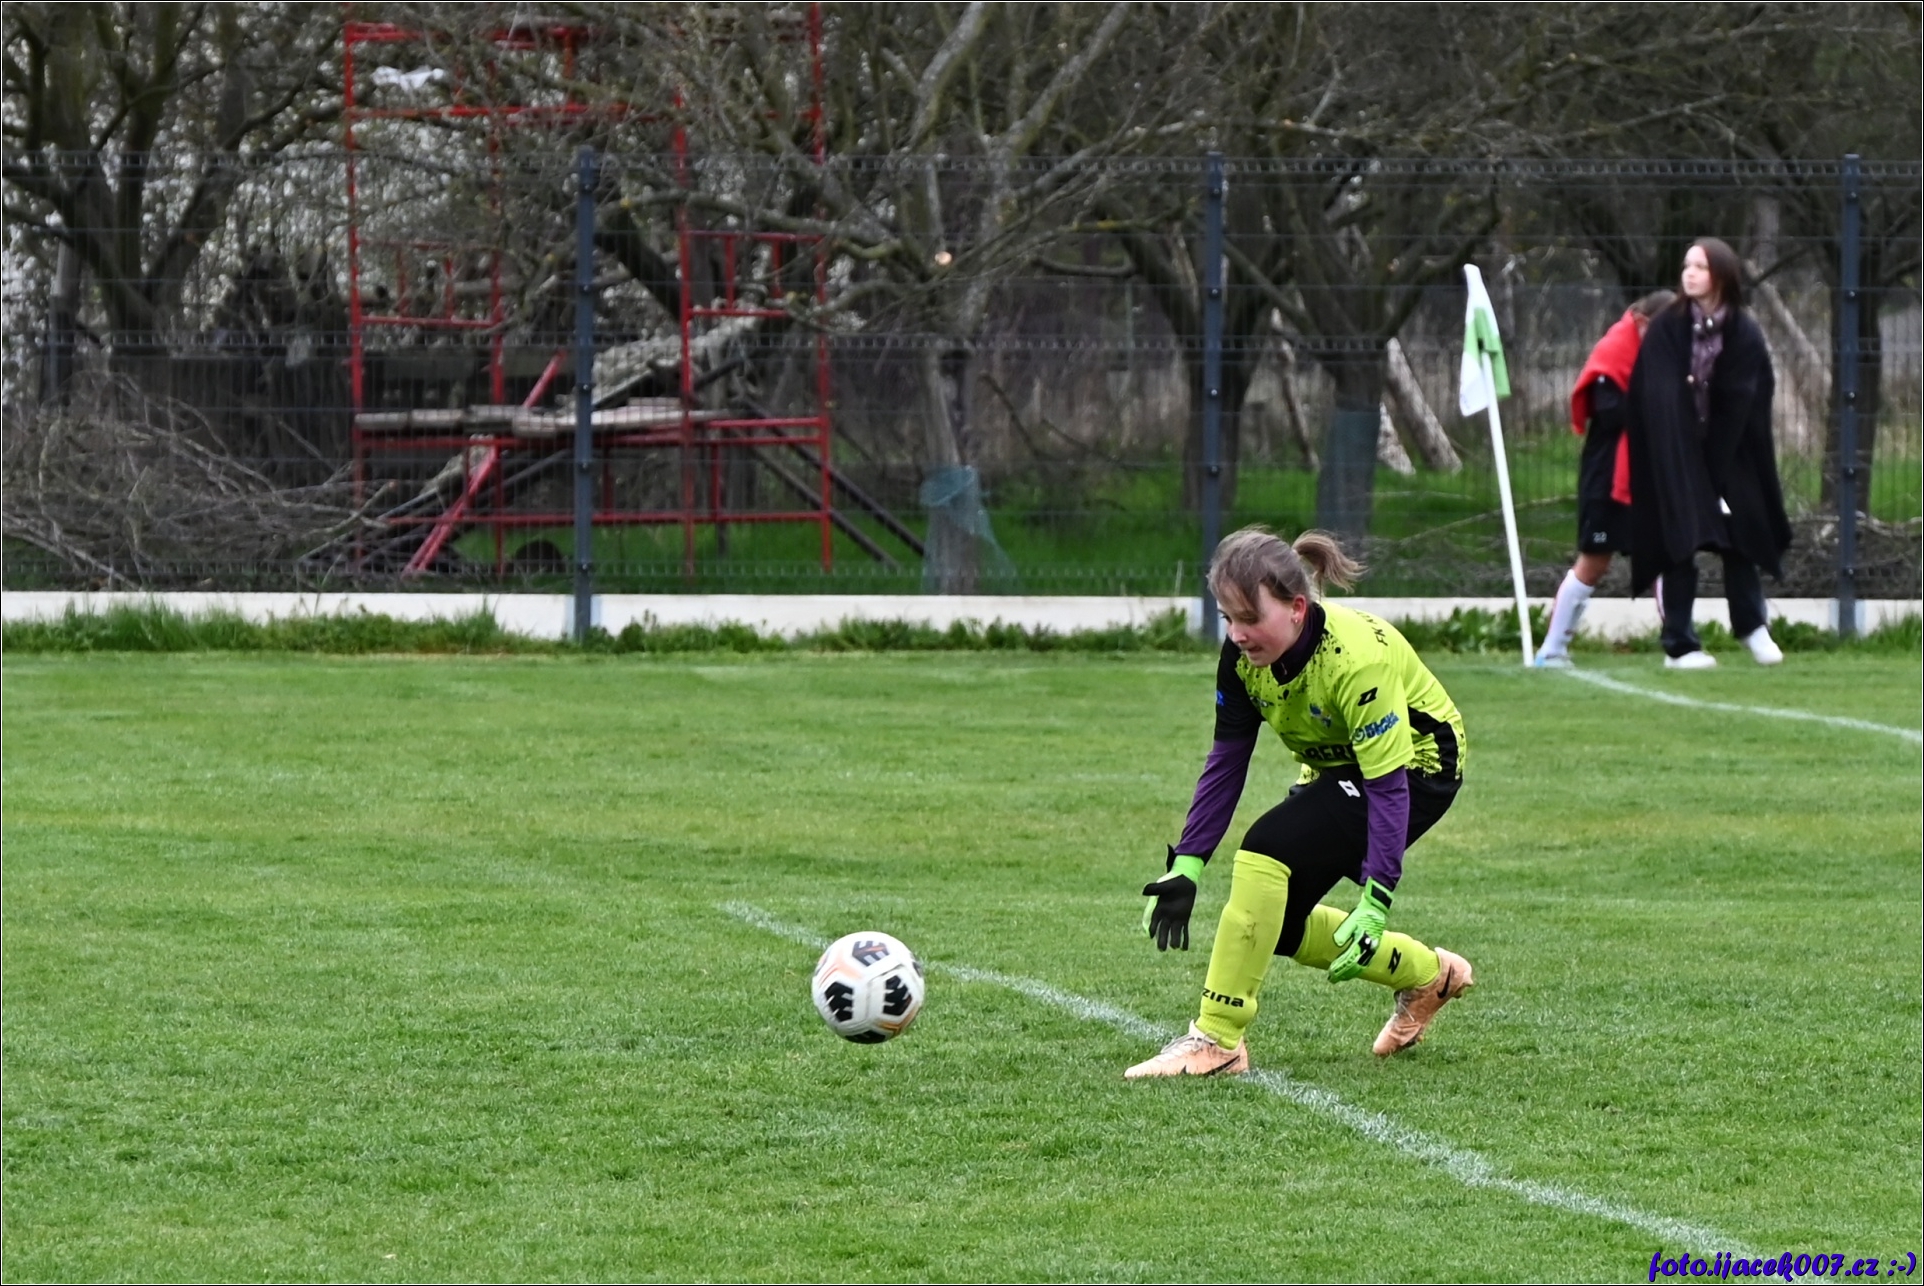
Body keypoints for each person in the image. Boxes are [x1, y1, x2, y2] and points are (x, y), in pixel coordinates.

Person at [1125, 527, 1473, 1078]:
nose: (1238, 634)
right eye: (1228, 618)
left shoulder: (1357, 663)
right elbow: (1227, 760)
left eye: (1249, 618)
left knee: (1269, 847)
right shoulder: (1241, 656)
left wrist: (1377, 897)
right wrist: (1187, 864)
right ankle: (1429, 976)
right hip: (1341, 765)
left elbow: (1387, 787)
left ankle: (1216, 1040)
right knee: (1278, 923)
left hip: (1419, 767)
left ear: (1297, 608)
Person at [1625, 238, 1792, 669]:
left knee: (1740, 538)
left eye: (1700, 266)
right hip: (1677, 450)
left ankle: (1752, 627)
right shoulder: (1668, 326)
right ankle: (1680, 644)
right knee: (1680, 541)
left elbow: (1748, 393)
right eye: (1687, 266)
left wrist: (1718, 459)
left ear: (1720, 274)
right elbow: (1654, 390)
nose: (1690, 273)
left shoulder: (1743, 330)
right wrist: (1679, 437)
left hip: (1730, 452)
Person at [1534, 290, 1677, 667]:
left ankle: (1679, 646)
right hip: (1609, 476)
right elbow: (1612, 413)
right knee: (1594, 562)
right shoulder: (1614, 353)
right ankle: (1552, 649)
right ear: (1644, 323)